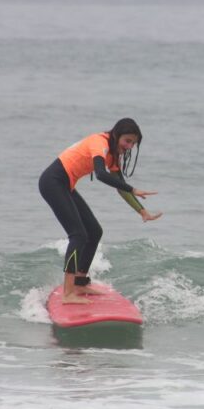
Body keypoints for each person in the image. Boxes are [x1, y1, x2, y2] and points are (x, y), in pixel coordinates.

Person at [38, 118, 161, 304]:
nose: (129, 146)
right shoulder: (100, 143)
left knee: (94, 232)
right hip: (53, 182)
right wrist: (133, 189)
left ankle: (79, 282)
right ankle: (68, 293)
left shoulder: (113, 154)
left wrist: (141, 211)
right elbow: (100, 174)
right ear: (116, 135)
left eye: (133, 144)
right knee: (78, 235)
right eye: (127, 141)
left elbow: (121, 187)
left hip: (65, 185)